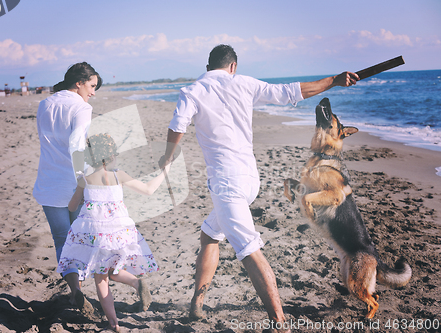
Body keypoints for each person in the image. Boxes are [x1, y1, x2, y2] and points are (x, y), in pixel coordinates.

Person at [159, 44, 359, 330]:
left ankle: (279, 322)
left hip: (227, 184)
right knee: (209, 234)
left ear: (208, 67)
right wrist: (334, 81)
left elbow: (178, 125)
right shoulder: (244, 83)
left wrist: (167, 158)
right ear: (233, 66)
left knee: (250, 250)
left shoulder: (193, 91)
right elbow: (293, 92)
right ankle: (197, 304)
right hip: (250, 179)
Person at [58, 133, 171, 331]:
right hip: (119, 232)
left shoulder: (85, 179)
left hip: (95, 233)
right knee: (112, 270)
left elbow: (71, 207)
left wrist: (83, 198)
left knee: (101, 278)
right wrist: (165, 171)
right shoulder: (119, 175)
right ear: (111, 156)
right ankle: (137, 283)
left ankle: (114, 323)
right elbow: (148, 190)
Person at [33, 62, 102, 305]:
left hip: (48, 183)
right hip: (72, 183)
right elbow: (76, 143)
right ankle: (81, 287)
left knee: (62, 238)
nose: (93, 92)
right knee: (80, 237)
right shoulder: (82, 107)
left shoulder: (44, 104)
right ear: (79, 83)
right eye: (92, 86)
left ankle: (75, 290)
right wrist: (83, 177)